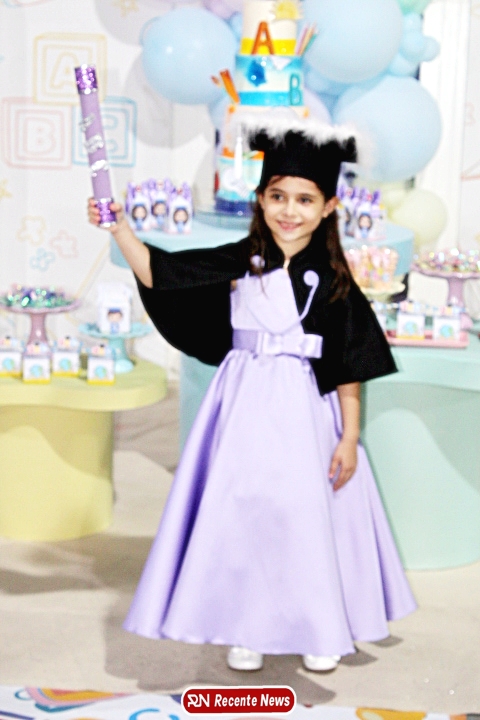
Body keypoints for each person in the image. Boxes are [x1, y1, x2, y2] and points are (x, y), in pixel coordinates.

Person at [88, 116, 416, 673]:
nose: (290, 211)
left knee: (303, 514)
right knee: (242, 511)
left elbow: (348, 366)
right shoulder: (241, 261)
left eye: (305, 200)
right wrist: (119, 228)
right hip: (242, 407)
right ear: (261, 199)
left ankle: (318, 625)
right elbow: (161, 273)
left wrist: (350, 436)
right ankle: (245, 625)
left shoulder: (334, 279)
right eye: (278, 196)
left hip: (304, 413)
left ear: (329, 207)